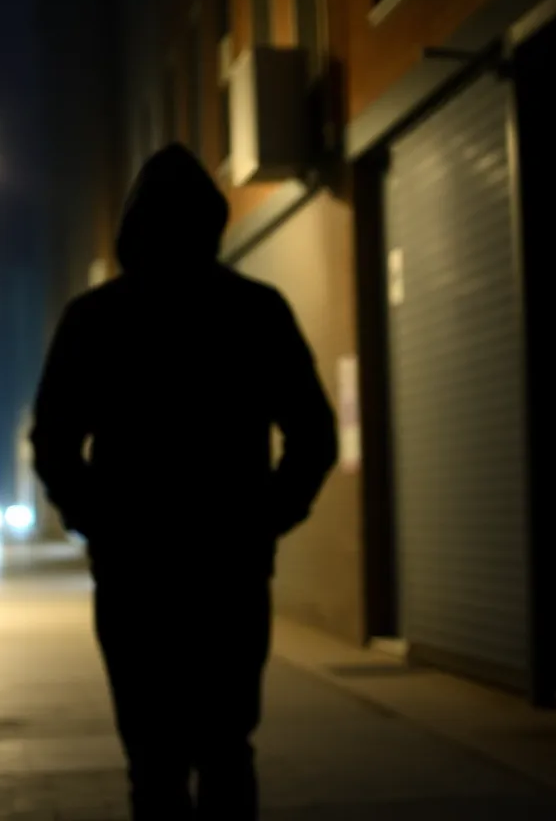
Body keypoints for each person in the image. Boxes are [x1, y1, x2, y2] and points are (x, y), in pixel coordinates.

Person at [30, 143, 338, 820]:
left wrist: (96, 520)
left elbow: (53, 441)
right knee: (228, 746)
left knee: (153, 759)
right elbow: (313, 435)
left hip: (134, 567)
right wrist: (268, 517)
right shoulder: (255, 310)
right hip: (229, 564)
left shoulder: (95, 318)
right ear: (214, 223)